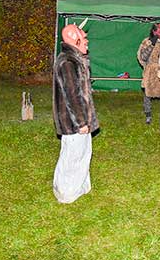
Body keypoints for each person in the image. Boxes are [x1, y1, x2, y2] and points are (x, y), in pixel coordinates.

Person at [52, 23, 99, 204]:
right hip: (73, 123)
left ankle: (79, 186)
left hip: (77, 121)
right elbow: (72, 95)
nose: (87, 41)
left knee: (81, 153)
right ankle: (67, 193)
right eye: (83, 37)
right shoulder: (68, 62)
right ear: (74, 38)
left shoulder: (74, 59)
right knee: (73, 156)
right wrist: (81, 123)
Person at [137, 23, 160, 124]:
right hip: (150, 72)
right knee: (147, 94)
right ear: (154, 32)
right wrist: (152, 44)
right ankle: (148, 115)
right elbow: (143, 57)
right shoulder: (147, 42)